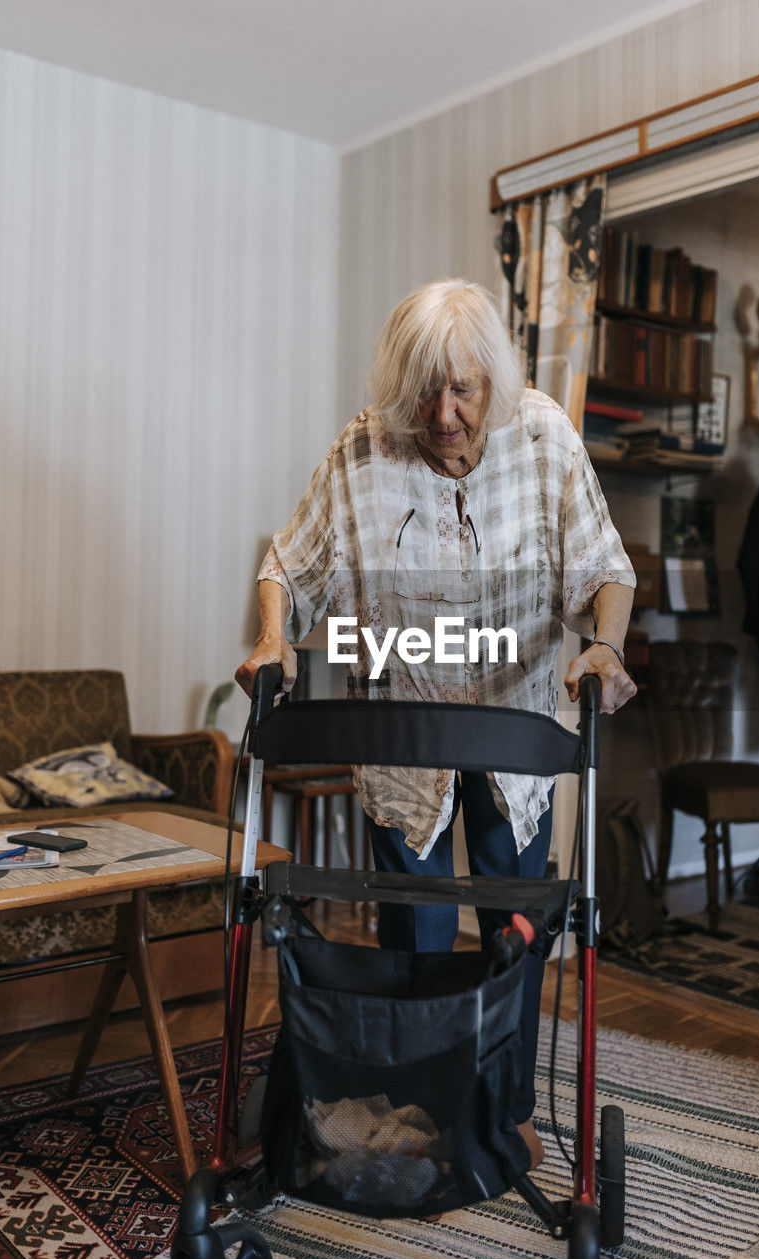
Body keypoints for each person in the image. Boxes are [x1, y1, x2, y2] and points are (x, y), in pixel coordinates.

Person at [236, 279, 636, 1174]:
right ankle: (419, 1102)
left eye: (463, 389)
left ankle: (506, 1104)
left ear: (494, 379)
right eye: (424, 390)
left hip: (516, 736)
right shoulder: (362, 451)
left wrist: (604, 646)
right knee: (411, 932)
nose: (443, 414)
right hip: (403, 735)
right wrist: (274, 638)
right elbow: (288, 564)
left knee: (513, 929)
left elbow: (604, 567)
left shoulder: (543, 440)